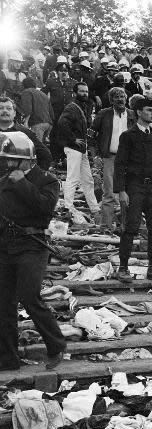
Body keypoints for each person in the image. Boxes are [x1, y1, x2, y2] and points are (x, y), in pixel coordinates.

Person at [0, 132, 67, 371]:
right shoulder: (4, 180)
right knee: (3, 303)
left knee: (29, 295)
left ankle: (56, 345)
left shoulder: (47, 180)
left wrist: (22, 183)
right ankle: (8, 357)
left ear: (26, 160)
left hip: (33, 244)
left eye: (11, 159)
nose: (7, 164)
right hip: (6, 246)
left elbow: (44, 209)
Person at [114, 97, 152, 284]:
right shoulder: (128, 136)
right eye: (148, 110)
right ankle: (123, 268)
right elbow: (119, 165)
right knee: (130, 228)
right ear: (138, 112)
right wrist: (121, 190)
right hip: (135, 186)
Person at [90, 87, 136, 230]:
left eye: (122, 96)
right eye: (116, 97)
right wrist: (95, 155)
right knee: (109, 193)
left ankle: (125, 226)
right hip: (110, 157)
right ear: (111, 100)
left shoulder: (132, 115)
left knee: (127, 193)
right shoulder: (103, 114)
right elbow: (91, 135)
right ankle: (106, 226)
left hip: (129, 159)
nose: (120, 99)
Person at [58, 82, 100, 224]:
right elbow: (62, 123)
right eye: (82, 91)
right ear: (75, 93)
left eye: (86, 91)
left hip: (81, 149)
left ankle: (94, 207)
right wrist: (72, 139)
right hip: (73, 148)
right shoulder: (71, 107)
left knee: (88, 179)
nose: (85, 94)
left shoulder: (82, 107)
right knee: (72, 178)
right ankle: (68, 206)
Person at [0, 97, 52, 171]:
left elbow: (45, 155)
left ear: (14, 113)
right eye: (1, 108)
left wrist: (35, 176)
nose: (5, 111)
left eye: (9, 108)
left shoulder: (25, 133)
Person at [19, 78, 56, 144]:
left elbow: (28, 108)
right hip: (49, 124)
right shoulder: (43, 94)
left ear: (24, 85)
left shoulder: (27, 92)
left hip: (38, 124)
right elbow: (52, 113)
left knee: (36, 146)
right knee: (42, 147)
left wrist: (26, 122)